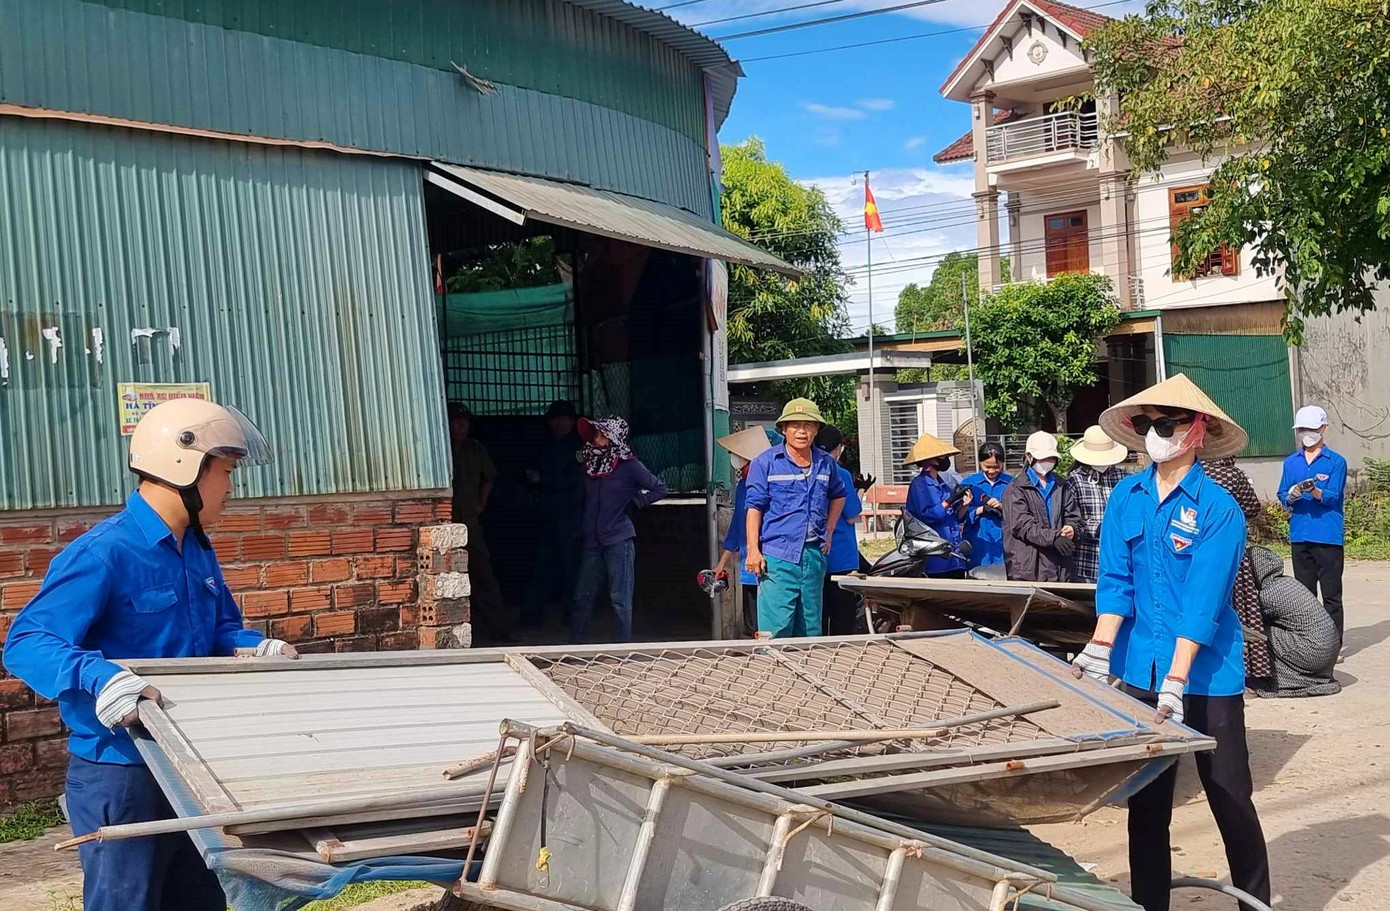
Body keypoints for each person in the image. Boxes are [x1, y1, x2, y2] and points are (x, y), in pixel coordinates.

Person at [3, 399, 299, 911]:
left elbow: (219, 630)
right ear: (184, 466)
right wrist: (100, 677)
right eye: (226, 472)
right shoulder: (104, 552)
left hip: (189, 764)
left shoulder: (196, 549)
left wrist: (255, 646)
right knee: (128, 903)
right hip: (122, 772)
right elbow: (27, 642)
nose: (231, 487)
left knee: (200, 899)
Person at [1072, 372, 1270, 911]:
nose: (1155, 434)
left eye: (1167, 423)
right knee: (1146, 803)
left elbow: (1204, 602)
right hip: (1141, 667)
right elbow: (1115, 581)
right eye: (1146, 424)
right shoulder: (1126, 497)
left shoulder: (1218, 508)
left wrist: (1178, 679)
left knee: (1229, 796)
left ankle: (1256, 902)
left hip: (1206, 676)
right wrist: (1099, 648)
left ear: (1197, 429)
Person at [745, 398, 847, 638]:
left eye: (808, 425)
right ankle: (772, 664)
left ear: (816, 430)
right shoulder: (765, 463)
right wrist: (753, 550)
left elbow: (839, 494)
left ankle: (807, 663)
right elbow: (754, 507)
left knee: (810, 627)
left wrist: (830, 529)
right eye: (795, 425)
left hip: (813, 555)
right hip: (777, 557)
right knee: (776, 627)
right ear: (784, 429)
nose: (802, 431)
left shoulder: (825, 463)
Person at [571, 416, 668, 643]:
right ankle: (575, 646)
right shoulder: (589, 465)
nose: (596, 439)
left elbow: (659, 488)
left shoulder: (629, 465)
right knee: (582, 596)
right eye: (596, 434)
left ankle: (622, 649)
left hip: (618, 539)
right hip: (591, 541)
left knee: (620, 598)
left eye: (602, 435)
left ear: (615, 438)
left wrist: (637, 501)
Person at [1279, 405, 1348, 647]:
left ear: (1323, 429)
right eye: (1301, 429)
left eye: (1311, 429)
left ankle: (1333, 646)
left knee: (1331, 595)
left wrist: (1315, 491)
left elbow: (1333, 496)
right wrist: (1292, 495)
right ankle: (1309, 645)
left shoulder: (1336, 462)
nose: (1306, 434)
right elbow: (1282, 493)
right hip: (1300, 535)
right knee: (1305, 596)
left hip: (1327, 536)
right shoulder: (1291, 463)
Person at [1204, 456, 1275, 685]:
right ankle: (1245, 674)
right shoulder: (1233, 475)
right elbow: (1252, 508)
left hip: (1196, 553)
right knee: (1239, 610)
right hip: (1230, 551)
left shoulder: (1190, 473)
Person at [448, 403, 513, 644]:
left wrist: (481, 504)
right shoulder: (440, 448)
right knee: (447, 579)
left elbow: (490, 477)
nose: (461, 426)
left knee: (483, 576)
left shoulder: (475, 448)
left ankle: (499, 631)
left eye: (465, 421)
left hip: (470, 522)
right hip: (446, 524)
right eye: (456, 421)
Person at [1247, 545, 1341, 698]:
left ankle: (1264, 679)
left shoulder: (1270, 594)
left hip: (1314, 653)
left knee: (1253, 632)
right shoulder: (1287, 583)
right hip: (1328, 652)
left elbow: (1247, 617)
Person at [521, 400, 584, 629]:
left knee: (571, 567)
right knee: (542, 566)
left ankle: (573, 616)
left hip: (570, 515)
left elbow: (575, 480)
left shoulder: (579, 448)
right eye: (556, 419)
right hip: (546, 515)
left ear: (573, 422)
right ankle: (533, 616)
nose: (560, 423)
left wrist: (544, 480)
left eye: (565, 419)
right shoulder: (543, 445)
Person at [710, 426, 776, 636]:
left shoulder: (770, 482)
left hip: (770, 562)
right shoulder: (743, 486)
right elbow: (738, 525)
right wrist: (722, 563)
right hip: (749, 565)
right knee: (753, 622)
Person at [1002, 431, 1080, 582]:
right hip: (1028, 569)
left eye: (1051, 458)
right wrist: (1054, 538)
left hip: (1060, 566)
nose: (1047, 461)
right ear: (1029, 457)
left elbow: (1074, 516)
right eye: (1042, 458)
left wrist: (1072, 528)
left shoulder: (1062, 485)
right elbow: (1022, 525)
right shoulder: (1015, 489)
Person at [815, 424, 865, 635]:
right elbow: (853, 515)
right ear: (838, 449)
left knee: (818, 618)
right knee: (842, 621)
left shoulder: (810, 469)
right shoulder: (840, 473)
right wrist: (860, 491)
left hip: (815, 556)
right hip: (841, 557)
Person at [1063, 425, 1128, 584]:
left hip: (1120, 559)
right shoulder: (1075, 480)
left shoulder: (1124, 479)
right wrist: (1101, 528)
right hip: (1087, 562)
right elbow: (1072, 520)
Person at [904, 433, 971, 578]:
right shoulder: (919, 484)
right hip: (935, 556)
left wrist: (964, 506)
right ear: (930, 460)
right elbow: (927, 516)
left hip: (954, 552)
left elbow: (955, 517)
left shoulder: (943, 484)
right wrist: (948, 501)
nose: (945, 460)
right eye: (941, 457)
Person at [961, 442, 1013, 568]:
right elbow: (958, 515)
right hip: (978, 541)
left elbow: (1019, 511)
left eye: (996, 467)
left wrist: (1002, 506)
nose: (992, 471)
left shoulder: (1012, 483)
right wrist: (979, 510)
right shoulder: (969, 483)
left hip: (1004, 542)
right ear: (980, 462)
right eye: (987, 466)